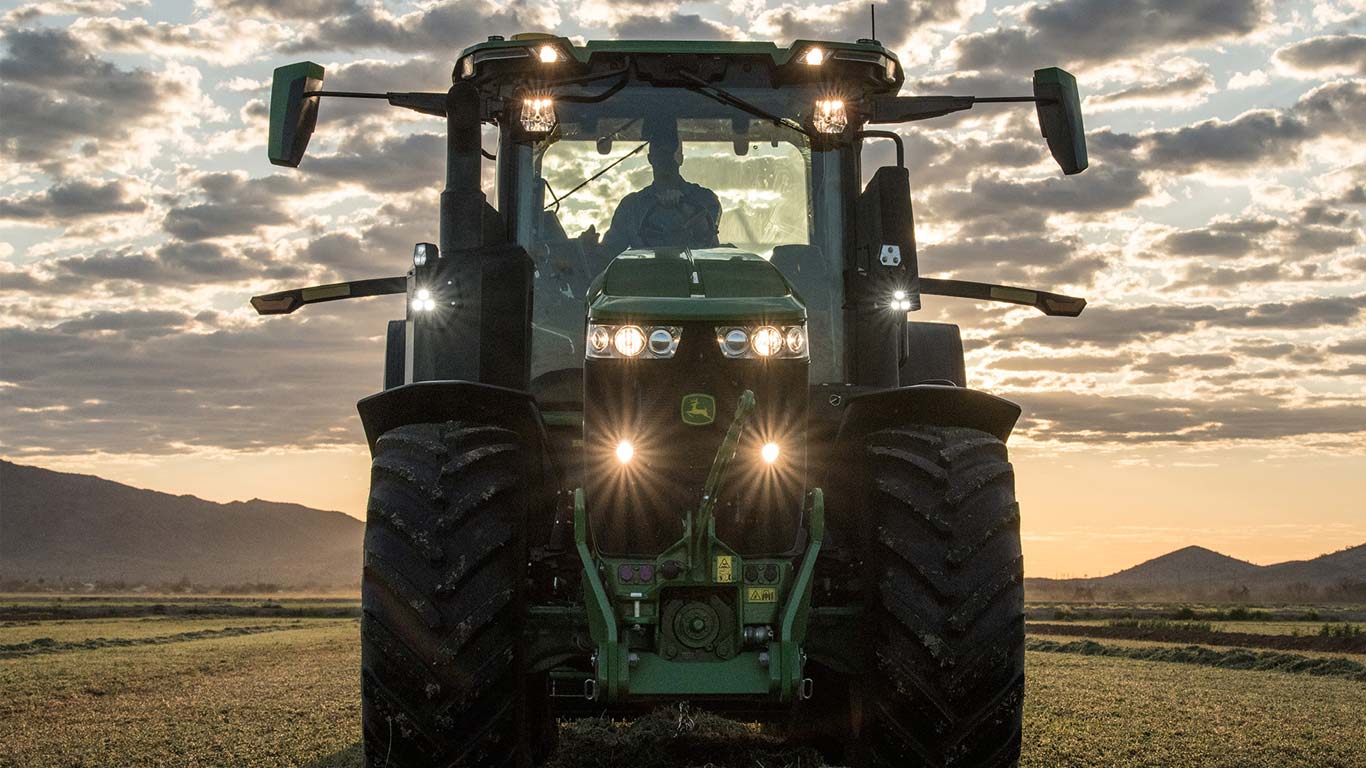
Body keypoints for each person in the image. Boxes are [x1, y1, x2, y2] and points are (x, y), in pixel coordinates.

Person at [600, 127, 722, 257]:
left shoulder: (705, 199)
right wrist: (587, 244)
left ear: (680, 159)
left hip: (697, 274)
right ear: (650, 158)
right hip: (643, 275)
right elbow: (609, 253)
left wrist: (689, 211)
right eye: (660, 155)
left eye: (670, 155)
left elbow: (707, 239)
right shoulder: (631, 207)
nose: (665, 161)